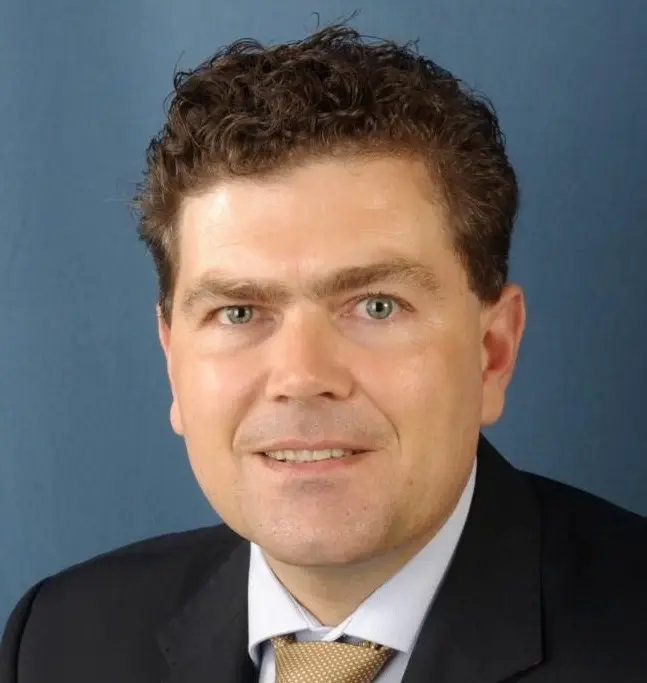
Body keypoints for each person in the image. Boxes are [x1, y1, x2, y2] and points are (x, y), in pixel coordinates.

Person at [2, 24, 646, 683]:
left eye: (376, 306)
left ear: (492, 351)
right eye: (238, 312)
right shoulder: (58, 643)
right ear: (173, 361)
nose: (302, 376)